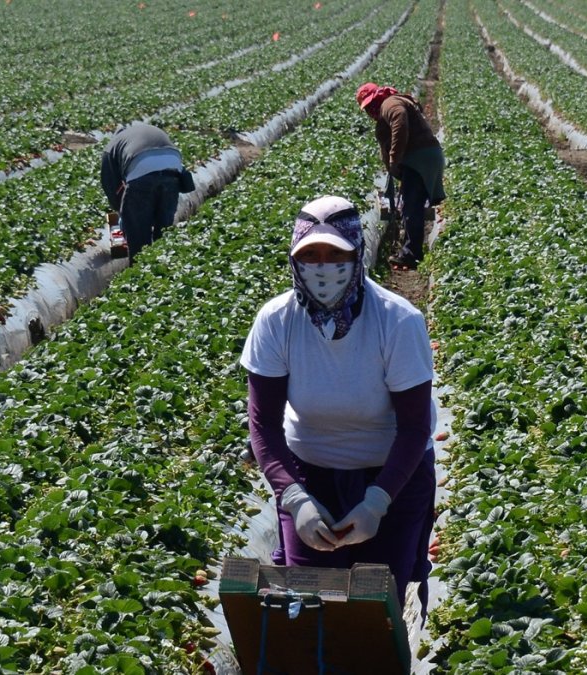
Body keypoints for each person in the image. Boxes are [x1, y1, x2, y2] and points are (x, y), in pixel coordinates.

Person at [241, 195, 436, 610]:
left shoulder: (398, 321)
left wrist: (377, 502)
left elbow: (416, 428)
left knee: (373, 606)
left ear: (357, 252)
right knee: (312, 603)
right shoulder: (276, 321)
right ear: (295, 258)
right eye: (311, 254)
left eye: (336, 253)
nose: (323, 266)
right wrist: (295, 501)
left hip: (393, 475)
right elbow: (264, 427)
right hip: (309, 475)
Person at [356, 82, 446, 270]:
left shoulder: (390, 104)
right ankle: (410, 250)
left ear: (377, 97)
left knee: (412, 207)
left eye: (371, 104)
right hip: (421, 158)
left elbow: (400, 122)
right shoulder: (390, 104)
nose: (370, 110)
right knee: (410, 206)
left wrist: (394, 158)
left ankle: (411, 254)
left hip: (419, 158)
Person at [100, 123, 195, 260]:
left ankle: (140, 271)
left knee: (138, 233)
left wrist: (122, 212)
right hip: (172, 168)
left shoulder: (112, 145)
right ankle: (164, 266)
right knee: (163, 227)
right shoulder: (146, 131)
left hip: (142, 169)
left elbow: (110, 185)